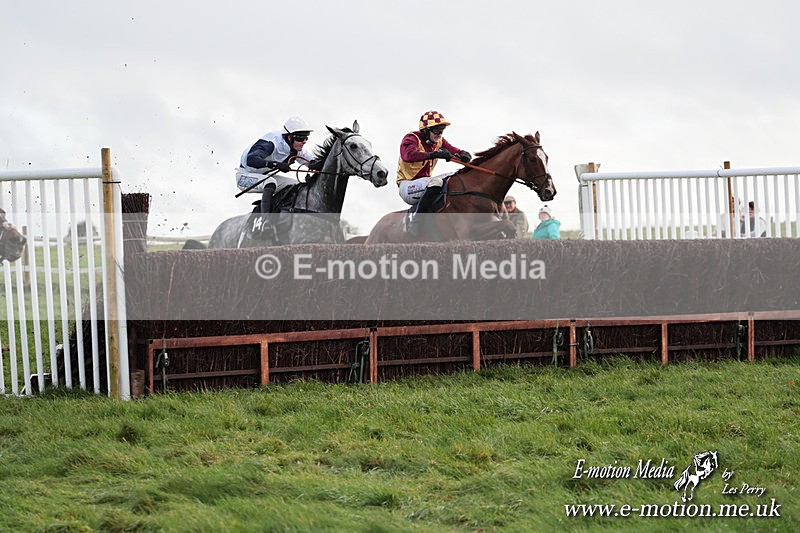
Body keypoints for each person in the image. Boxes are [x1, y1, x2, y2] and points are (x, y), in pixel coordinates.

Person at [235, 116, 316, 239]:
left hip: (263, 176)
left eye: (306, 138)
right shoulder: (272, 143)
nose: (304, 141)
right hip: (244, 176)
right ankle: (265, 222)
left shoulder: (296, 148)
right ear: (289, 137)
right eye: (300, 138)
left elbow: (313, 162)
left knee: (296, 185)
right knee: (270, 182)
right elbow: (251, 159)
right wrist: (275, 164)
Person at [396, 110, 471, 236]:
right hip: (407, 186)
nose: (439, 134)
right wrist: (434, 154)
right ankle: (416, 222)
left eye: (442, 130)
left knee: (453, 176)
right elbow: (408, 155)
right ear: (426, 130)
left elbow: (455, 150)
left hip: (425, 184)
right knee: (437, 182)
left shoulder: (439, 141)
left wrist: (464, 154)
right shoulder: (411, 138)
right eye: (436, 130)